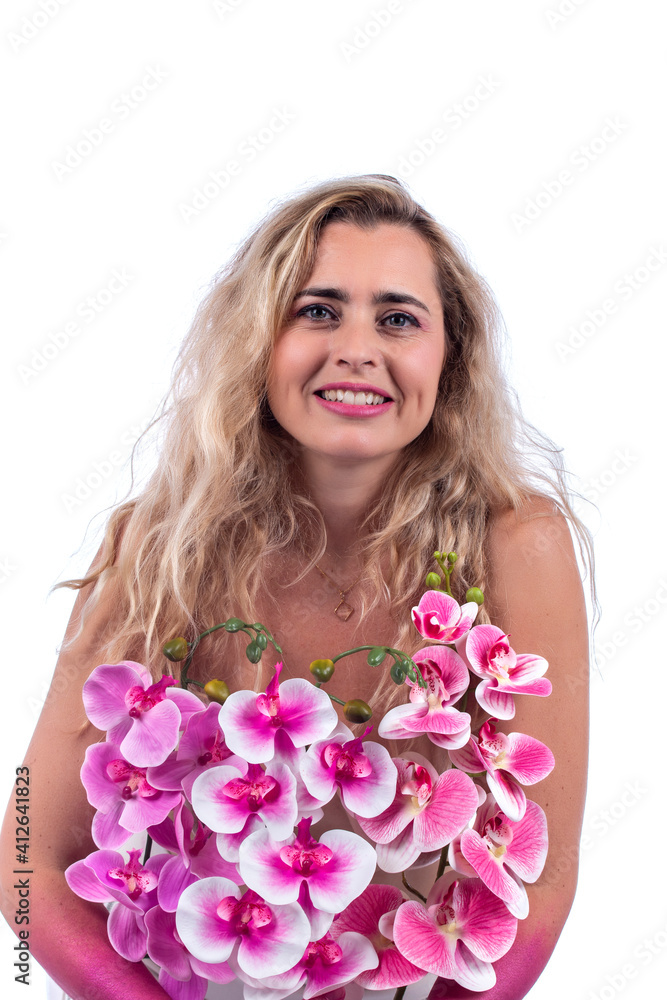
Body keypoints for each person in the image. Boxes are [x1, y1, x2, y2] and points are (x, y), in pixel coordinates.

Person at [0, 175, 591, 1000]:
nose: (356, 346)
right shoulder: (164, 547)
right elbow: (27, 854)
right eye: (316, 310)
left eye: (397, 318)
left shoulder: (514, 545)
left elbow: (546, 874)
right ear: (258, 343)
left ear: (447, 358)